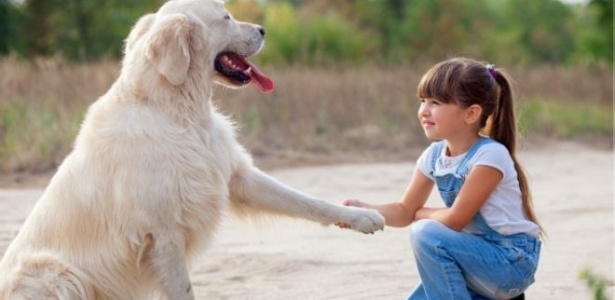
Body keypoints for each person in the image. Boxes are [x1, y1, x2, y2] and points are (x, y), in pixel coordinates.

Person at [337, 57, 543, 300]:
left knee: (426, 233)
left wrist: (420, 213)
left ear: (471, 113)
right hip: (473, 260)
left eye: (435, 103)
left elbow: (455, 219)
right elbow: (405, 211)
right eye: (423, 101)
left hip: (509, 264)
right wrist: (362, 211)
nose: (424, 111)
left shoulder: (490, 156)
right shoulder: (434, 155)